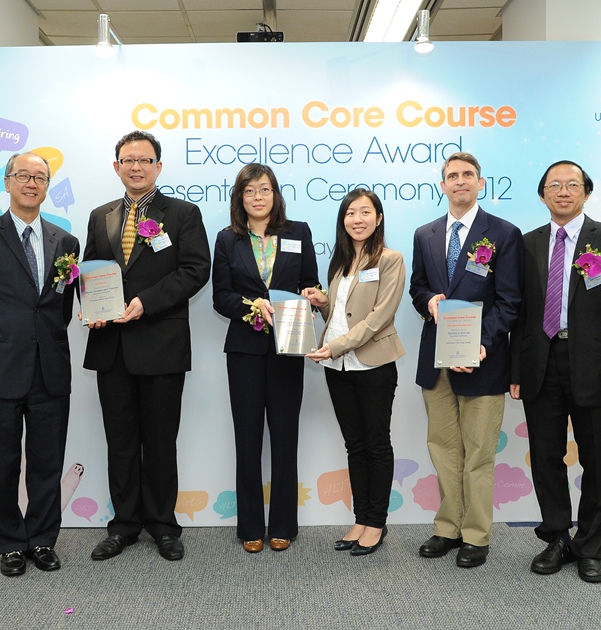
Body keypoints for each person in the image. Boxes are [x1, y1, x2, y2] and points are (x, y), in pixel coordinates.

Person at [84, 130, 211, 562]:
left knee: (160, 441)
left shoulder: (182, 213)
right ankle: (123, 526)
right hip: (111, 347)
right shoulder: (100, 215)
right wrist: (92, 306)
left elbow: (196, 270)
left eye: (144, 159)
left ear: (158, 166)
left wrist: (146, 302)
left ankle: (162, 525)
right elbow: (91, 272)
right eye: (127, 159)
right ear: (116, 166)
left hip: (160, 343)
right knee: (119, 442)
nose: (135, 166)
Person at [510, 160, 601, 583]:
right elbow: (521, 315)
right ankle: (557, 538)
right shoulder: (526, 244)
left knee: (596, 459)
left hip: (595, 368)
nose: (563, 192)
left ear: (586, 192)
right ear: (542, 194)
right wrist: (516, 369)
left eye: (572, 185)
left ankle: (590, 545)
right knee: (546, 458)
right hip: (540, 366)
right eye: (554, 186)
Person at [0, 151, 80, 576]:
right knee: (2, 463)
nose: (32, 183)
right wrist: (1, 338)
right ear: (7, 182)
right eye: (23, 175)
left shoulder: (66, 242)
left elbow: (58, 307)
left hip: (50, 368)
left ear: (47, 187)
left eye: (40, 177)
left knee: (47, 463)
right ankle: (8, 543)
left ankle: (42, 540)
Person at [409, 152, 522, 568]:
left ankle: (476, 535)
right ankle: (447, 528)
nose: (460, 181)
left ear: (481, 183)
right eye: (452, 176)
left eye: (467, 175)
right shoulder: (425, 234)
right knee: (442, 449)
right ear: (443, 185)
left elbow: (510, 302)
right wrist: (428, 301)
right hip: (436, 360)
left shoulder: (504, 234)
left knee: (478, 453)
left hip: (484, 360)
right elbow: (417, 288)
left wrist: (483, 343)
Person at [211, 164, 318, 554]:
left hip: (289, 347)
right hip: (244, 350)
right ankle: (250, 525)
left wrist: (315, 296)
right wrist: (249, 304)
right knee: (248, 439)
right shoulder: (227, 239)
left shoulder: (298, 232)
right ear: (240, 198)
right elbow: (219, 296)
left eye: (265, 189)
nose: (258, 197)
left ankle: (284, 524)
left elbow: (311, 283)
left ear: (276, 194)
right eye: (250, 191)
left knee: (286, 437)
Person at [302, 188, 405, 557]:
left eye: (365, 212)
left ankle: (376, 523)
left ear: (378, 219)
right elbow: (342, 313)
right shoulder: (340, 261)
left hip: (372, 363)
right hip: (337, 365)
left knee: (376, 444)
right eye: (350, 213)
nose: (357, 219)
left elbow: (380, 317)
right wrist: (323, 303)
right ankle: (361, 519)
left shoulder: (391, 259)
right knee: (354, 444)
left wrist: (339, 345)